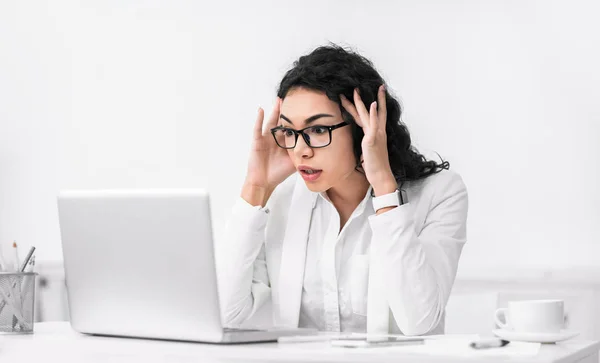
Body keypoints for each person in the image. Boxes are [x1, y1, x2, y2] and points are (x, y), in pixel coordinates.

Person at [219, 43, 468, 336]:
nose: (300, 150)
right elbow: (227, 315)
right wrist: (255, 188)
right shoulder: (281, 200)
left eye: (318, 130)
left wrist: (386, 190)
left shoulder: (440, 194)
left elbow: (419, 323)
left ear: (363, 129)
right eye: (289, 132)